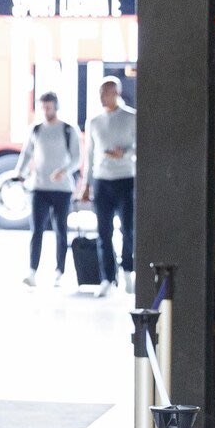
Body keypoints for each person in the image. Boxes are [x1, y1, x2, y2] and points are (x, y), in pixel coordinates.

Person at [79, 76, 137, 296]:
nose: (102, 97)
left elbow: (140, 146)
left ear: (117, 93)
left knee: (127, 229)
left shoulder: (131, 117)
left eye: (106, 92)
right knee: (104, 231)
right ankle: (107, 278)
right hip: (102, 180)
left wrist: (125, 153)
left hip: (125, 178)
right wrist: (86, 184)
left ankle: (128, 271)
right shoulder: (94, 121)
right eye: (100, 93)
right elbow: (90, 154)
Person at [16, 91, 81, 287]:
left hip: (62, 189)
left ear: (56, 107)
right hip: (39, 187)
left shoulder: (68, 130)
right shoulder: (36, 130)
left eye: (49, 107)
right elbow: (26, 153)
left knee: (61, 230)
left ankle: (59, 271)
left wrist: (64, 171)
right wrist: (20, 172)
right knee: (36, 230)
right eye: (43, 107)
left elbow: (77, 158)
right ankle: (32, 271)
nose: (46, 111)